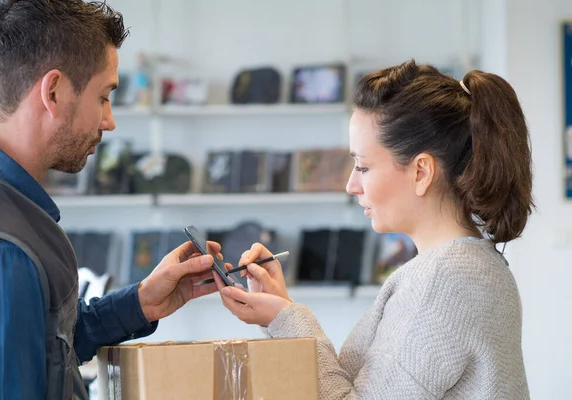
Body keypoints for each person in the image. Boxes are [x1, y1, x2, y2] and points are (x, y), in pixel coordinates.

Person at [214, 59, 533, 399]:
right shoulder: (468, 267)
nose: (351, 185)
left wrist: (287, 318)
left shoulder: (445, 280)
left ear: (421, 172)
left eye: (363, 167)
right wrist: (281, 311)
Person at [0, 1, 223, 399]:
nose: (109, 120)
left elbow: (48, 349)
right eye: (104, 97)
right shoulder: (3, 249)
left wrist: (141, 303)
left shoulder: (7, 211)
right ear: (53, 91)